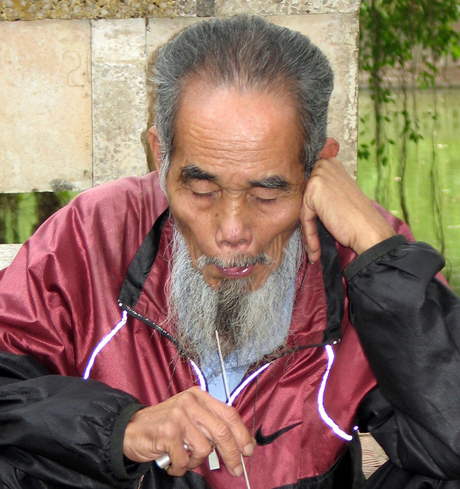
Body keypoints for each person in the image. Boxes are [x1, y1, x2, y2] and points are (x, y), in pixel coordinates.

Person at [0, 14, 459, 489]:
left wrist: (378, 249)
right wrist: (121, 429)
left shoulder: (363, 257)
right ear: (161, 156)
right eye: (201, 190)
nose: (232, 231)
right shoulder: (95, 235)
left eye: (267, 195)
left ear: (318, 167)